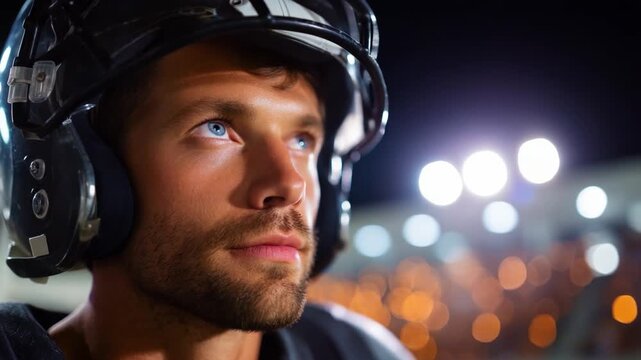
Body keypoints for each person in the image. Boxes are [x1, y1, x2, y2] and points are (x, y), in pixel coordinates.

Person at [0, 0, 413, 359]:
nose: (289, 185)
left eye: (302, 140)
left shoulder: (362, 352)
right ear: (84, 169)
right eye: (216, 128)